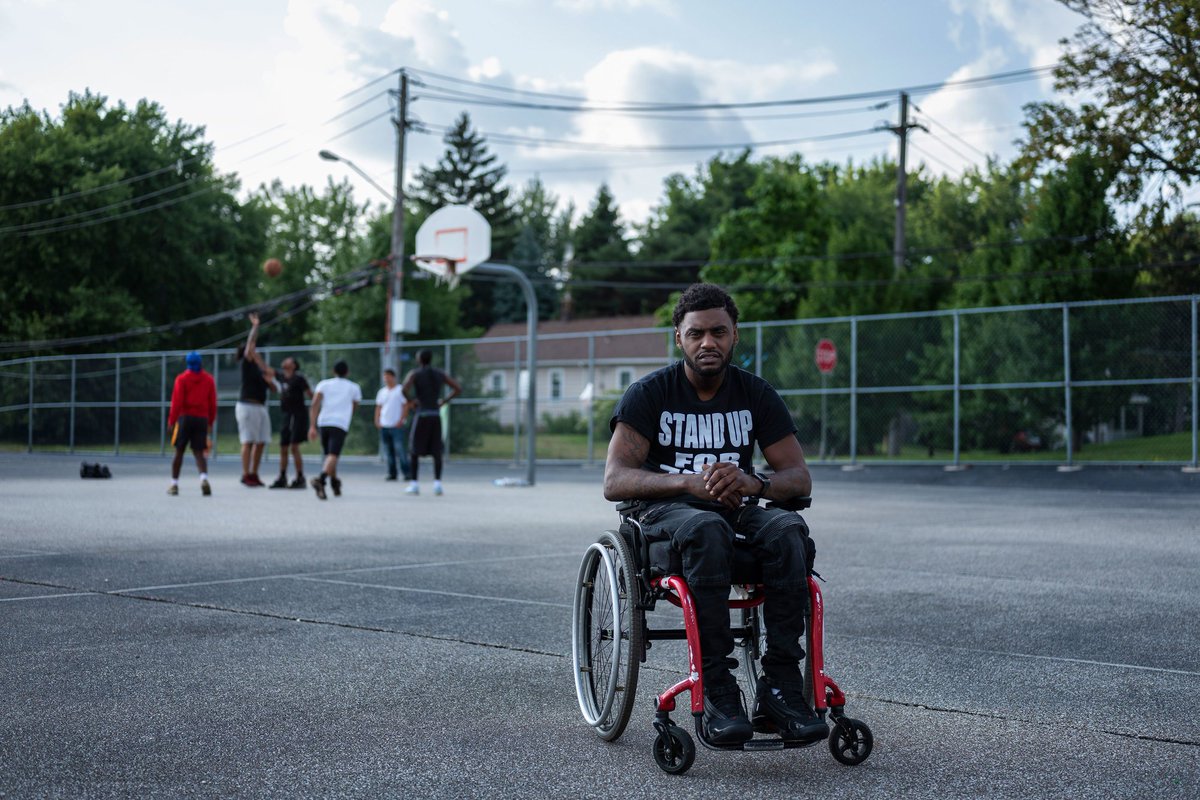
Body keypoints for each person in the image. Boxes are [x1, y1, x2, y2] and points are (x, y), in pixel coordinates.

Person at [603, 283, 827, 747]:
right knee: (705, 527)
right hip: (667, 514)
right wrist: (687, 482)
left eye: (719, 332)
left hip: (735, 508)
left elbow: (799, 478)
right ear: (679, 337)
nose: (708, 342)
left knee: (788, 530)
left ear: (735, 335)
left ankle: (781, 686)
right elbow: (615, 480)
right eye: (696, 333)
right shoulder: (649, 394)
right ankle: (718, 687)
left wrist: (754, 483)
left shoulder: (755, 394)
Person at [401, 349, 462, 496]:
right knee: (436, 452)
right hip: (435, 414)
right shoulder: (440, 374)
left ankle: (414, 484)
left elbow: (404, 389)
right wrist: (444, 401)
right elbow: (457, 388)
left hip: (422, 414)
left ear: (419, 359)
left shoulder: (415, 374)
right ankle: (437, 484)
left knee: (414, 450)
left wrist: (411, 401)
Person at [307, 360, 362, 500]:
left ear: (334, 371)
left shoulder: (324, 384)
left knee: (329, 456)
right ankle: (321, 479)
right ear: (347, 372)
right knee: (333, 454)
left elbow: (315, 404)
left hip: (323, 422)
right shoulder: (354, 387)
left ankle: (334, 482)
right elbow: (355, 405)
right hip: (340, 423)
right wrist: (347, 414)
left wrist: (312, 426)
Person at [166, 351, 216, 496]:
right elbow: (212, 403)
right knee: (199, 452)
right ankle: (204, 479)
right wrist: (210, 422)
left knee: (179, 451)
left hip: (185, 418)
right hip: (202, 419)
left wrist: (171, 421)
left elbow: (177, 402)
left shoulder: (182, 379)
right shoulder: (208, 379)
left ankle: (174, 484)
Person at [235, 312, 272, 487]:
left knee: (261, 441)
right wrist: (255, 327)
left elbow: (270, 376)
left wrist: (262, 364)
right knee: (248, 441)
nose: (255, 351)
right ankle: (245, 474)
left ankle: (254, 473)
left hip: (260, 407)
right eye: (253, 350)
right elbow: (250, 346)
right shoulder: (247, 364)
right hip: (247, 406)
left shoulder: (259, 368)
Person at [268, 356, 314, 489]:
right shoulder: (281, 376)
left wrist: (318, 406)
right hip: (287, 415)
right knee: (283, 446)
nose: (285, 361)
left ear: (293, 365)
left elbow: (311, 394)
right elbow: (265, 368)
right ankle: (282, 477)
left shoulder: (299, 378)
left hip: (298, 415)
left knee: (294, 447)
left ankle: (300, 477)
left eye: (288, 360)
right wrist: (252, 351)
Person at [375, 368, 412, 482]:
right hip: (384, 425)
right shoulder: (382, 392)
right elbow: (379, 407)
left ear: (393, 377)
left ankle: (407, 472)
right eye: (384, 376)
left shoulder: (400, 390)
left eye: (388, 376)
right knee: (388, 451)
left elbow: (406, 405)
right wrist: (377, 420)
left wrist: (401, 420)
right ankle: (392, 473)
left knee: (400, 450)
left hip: (397, 426)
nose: (386, 379)